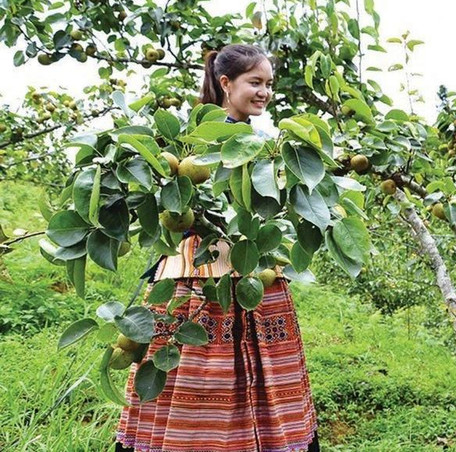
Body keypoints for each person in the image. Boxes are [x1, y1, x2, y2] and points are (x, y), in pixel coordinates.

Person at [116, 44, 319, 452]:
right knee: (196, 368)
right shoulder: (196, 144)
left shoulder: (265, 143)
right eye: (255, 82)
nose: (264, 92)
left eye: (268, 84)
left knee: (259, 375)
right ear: (226, 83)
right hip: (201, 270)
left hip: (254, 268)